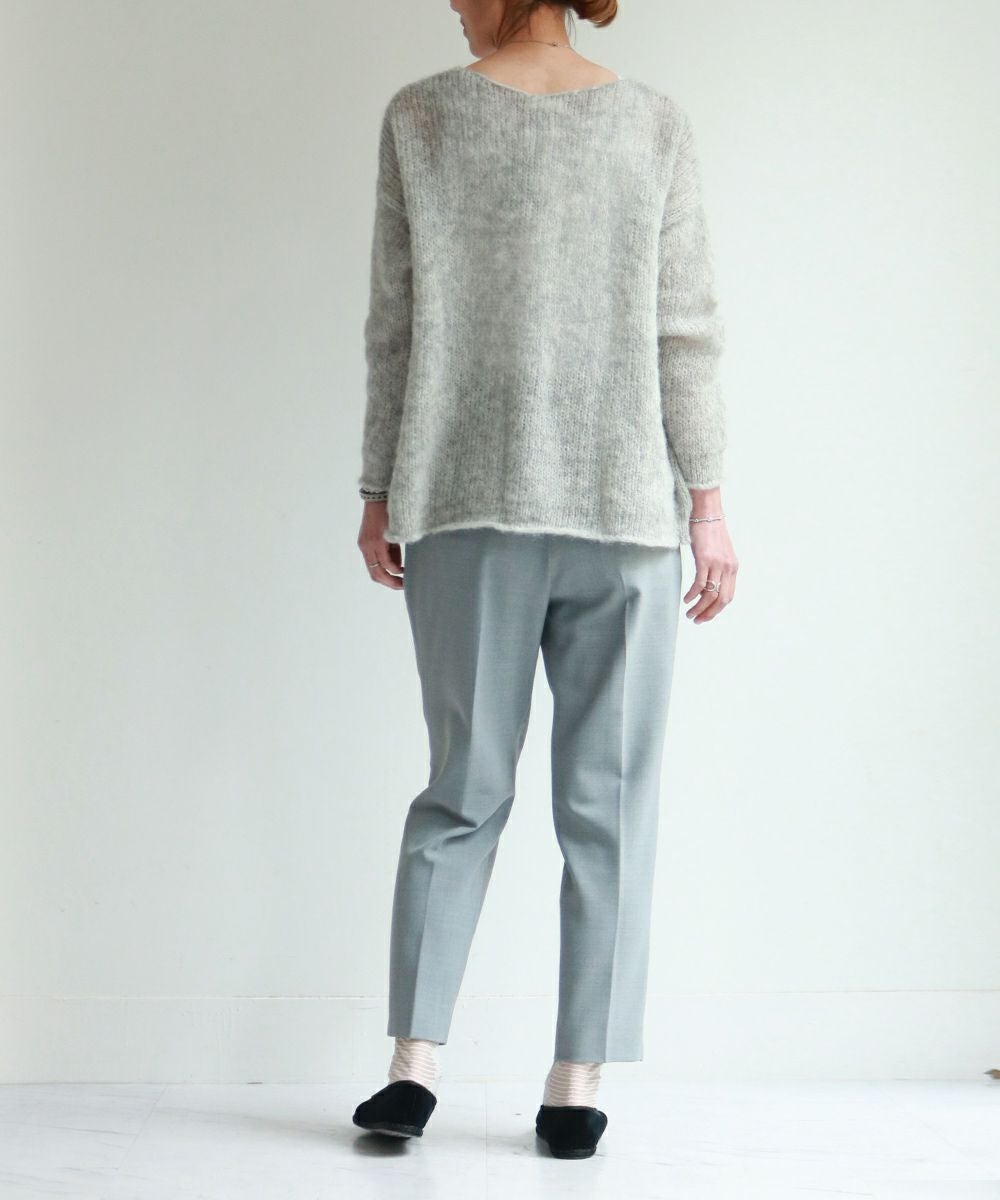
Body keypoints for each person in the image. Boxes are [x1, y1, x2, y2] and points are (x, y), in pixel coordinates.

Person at [351, 0, 738, 1160]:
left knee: (460, 792)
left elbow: (393, 326)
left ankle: (419, 1070)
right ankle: (573, 1081)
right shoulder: (647, 122)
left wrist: (379, 487)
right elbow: (687, 330)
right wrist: (706, 504)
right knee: (606, 804)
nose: (448, 4)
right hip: (620, 517)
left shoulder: (425, 116)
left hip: (472, 502)